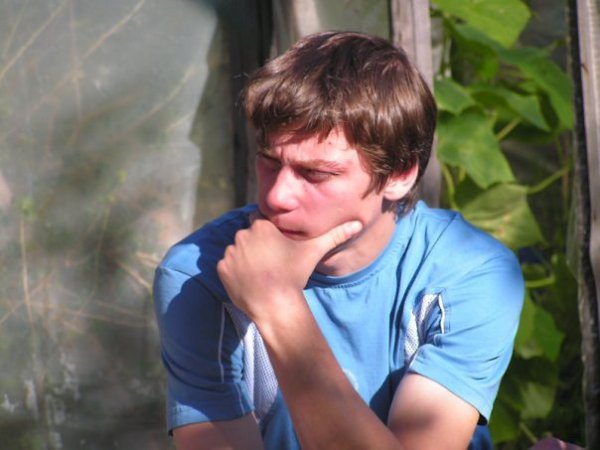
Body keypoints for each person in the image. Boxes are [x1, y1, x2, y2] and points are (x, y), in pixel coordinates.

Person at [153, 31, 525, 449]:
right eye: (269, 160)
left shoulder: (469, 271)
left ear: (400, 173)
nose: (277, 196)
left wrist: (277, 305)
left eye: (316, 174)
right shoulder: (197, 276)